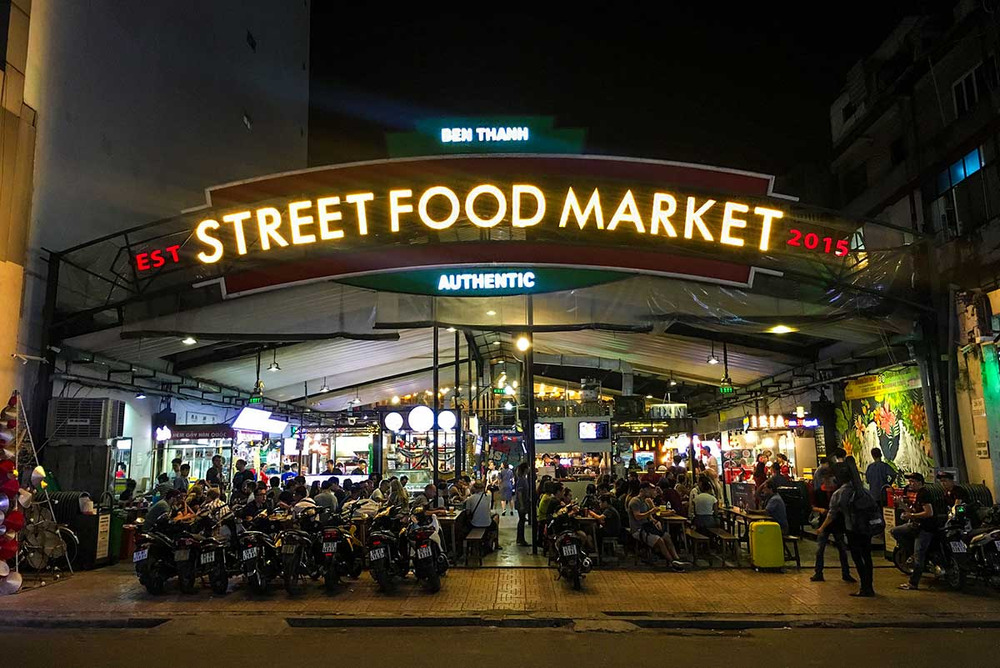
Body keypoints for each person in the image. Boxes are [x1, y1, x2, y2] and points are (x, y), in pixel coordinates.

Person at [818, 461, 875, 597]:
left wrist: (822, 527)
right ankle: (869, 586)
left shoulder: (839, 493)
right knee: (867, 557)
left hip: (852, 528)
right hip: (866, 528)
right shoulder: (863, 491)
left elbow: (831, 514)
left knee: (857, 557)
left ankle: (864, 587)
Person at [892, 472, 937, 591]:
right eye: (909, 481)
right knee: (895, 531)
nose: (910, 484)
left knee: (919, 556)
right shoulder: (916, 494)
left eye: (912, 482)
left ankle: (913, 583)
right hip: (916, 525)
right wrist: (902, 505)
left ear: (919, 483)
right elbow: (913, 510)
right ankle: (912, 550)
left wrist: (911, 515)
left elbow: (929, 512)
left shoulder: (924, 494)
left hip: (925, 528)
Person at [810, 469, 854, 584]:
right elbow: (812, 506)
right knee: (820, 549)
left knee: (842, 549)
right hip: (826, 522)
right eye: (826, 478)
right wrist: (820, 510)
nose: (828, 481)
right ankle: (818, 572)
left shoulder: (838, 491)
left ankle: (846, 573)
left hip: (836, 523)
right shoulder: (819, 492)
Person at [628, 483, 685, 569]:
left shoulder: (646, 501)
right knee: (659, 540)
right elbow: (638, 516)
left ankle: (677, 559)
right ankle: (672, 562)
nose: (652, 491)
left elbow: (650, 517)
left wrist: (655, 521)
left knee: (666, 536)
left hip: (648, 527)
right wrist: (651, 512)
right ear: (642, 490)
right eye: (649, 489)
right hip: (639, 529)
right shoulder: (635, 501)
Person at [465, 481, 498, 545]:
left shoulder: (470, 499)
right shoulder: (488, 496)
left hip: (474, 524)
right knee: (496, 518)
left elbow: (467, 512)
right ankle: (495, 542)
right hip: (487, 523)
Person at [514, 462, 531, 546]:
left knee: (522, 520)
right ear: (525, 469)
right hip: (522, 503)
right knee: (521, 520)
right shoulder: (521, 479)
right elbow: (519, 493)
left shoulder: (523, 478)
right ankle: (521, 539)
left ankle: (520, 539)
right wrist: (522, 505)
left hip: (523, 502)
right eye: (528, 467)